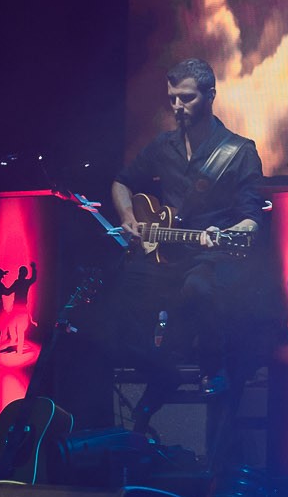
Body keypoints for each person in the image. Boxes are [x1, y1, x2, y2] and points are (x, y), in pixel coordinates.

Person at [108, 59, 270, 458]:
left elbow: (251, 218)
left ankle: (213, 368)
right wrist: (128, 217)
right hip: (164, 257)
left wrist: (230, 233)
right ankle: (162, 370)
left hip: (211, 255)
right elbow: (122, 182)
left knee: (199, 288)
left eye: (186, 98)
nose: (177, 107)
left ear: (210, 95)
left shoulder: (239, 151)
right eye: (172, 99)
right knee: (115, 296)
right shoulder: (162, 146)